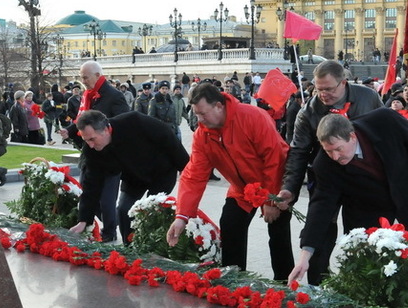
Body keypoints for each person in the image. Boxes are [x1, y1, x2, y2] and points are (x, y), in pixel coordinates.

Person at [287, 111, 408, 283]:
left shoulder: (385, 121)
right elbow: (320, 207)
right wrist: (304, 257)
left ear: (352, 136)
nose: (335, 157)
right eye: (328, 151)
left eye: (338, 149)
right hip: (367, 208)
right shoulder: (324, 164)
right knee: (370, 266)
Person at [166, 82, 294, 280]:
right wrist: (182, 216)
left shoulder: (252, 117)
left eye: (202, 113)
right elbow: (194, 175)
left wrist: (271, 200)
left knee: (279, 233)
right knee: (230, 224)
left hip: (275, 184)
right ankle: (233, 281)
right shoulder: (203, 134)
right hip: (242, 189)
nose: (199, 119)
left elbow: (275, 159)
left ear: (218, 106)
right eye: (196, 114)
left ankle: (285, 283)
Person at [277, 60, 383, 285]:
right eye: (319, 89)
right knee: (321, 234)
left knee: (362, 236)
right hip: (327, 178)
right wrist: (289, 188)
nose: (323, 94)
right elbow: (298, 152)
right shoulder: (308, 112)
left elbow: (386, 133)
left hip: (363, 180)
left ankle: (361, 286)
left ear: (343, 82)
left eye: (329, 89)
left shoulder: (368, 98)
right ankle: (319, 286)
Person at [69, 110, 189, 242]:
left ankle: (152, 246)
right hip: (133, 179)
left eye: (92, 139)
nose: (90, 145)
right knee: (124, 210)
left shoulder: (134, 121)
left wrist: (185, 167)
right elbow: (91, 186)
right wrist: (84, 220)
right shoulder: (91, 151)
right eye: (86, 140)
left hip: (161, 173)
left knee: (151, 211)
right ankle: (129, 247)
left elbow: (167, 137)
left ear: (106, 129)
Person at [63, 60, 130, 243]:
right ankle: (106, 225)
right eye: (81, 77)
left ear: (98, 76)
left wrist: (103, 134)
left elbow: (123, 122)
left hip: (109, 157)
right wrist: (69, 131)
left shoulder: (114, 96)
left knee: (107, 199)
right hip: (90, 153)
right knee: (89, 192)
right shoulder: (88, 95)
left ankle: (109, 234)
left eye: (85, 77)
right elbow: (82, 121)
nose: (82, 80)